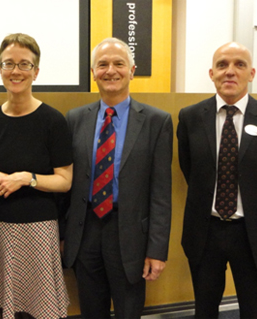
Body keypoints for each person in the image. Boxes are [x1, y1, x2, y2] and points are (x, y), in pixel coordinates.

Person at [177, 42, 257, 318]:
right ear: (211, 73)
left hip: (255, 233)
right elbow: (190, 169)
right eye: (222, 65)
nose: (230, 71)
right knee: (204, 311)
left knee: (256, 312)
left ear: (251, 73)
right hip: (205, 233)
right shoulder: (191, 117)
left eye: (239, 65)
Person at [62, 37, 173, 319]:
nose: (110, 70)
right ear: (93, 73)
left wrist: (157, 250)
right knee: (91, 310)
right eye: (103, 64)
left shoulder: (156, 121)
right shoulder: (74, 119)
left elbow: (160, 192)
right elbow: (66, 186)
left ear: (132, 70)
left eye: (118, 63)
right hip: (85, 230)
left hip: (131, 235)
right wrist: (63, 236)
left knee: (128, 311)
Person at [0, 33, 72, 319]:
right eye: (9, 63)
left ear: (36, 72)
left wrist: (27, 178)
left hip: (37, 230)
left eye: (24, 64)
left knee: (39, 311)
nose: (16, 71)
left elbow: (65, 180)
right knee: (5, 310)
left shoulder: (53, 121)